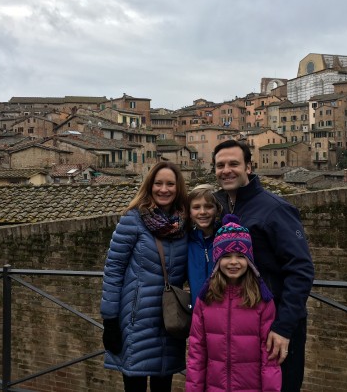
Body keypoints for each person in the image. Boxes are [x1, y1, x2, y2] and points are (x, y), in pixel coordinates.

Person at [212, 140, 314, 392]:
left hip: (274, 327)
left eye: (233, 164)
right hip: (239, 326)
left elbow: (301, 270)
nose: (226, 170)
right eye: (220, 165)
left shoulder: (275, 209)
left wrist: (283, 327)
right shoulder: (217, 207)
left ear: (249, 167)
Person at [100, 161, 189, 392]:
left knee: (164, 385)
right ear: (149, 186)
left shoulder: (185, 225)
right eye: (158, 183)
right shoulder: (133, 220)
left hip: (170, 322)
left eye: (170, 184)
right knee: (135, 384)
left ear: (178, 188)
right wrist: (109, 321)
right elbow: (113, 270)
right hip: (135, 322)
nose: (164, 189)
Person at [185, 214, 282, 391]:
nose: (233, 262)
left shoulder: (261, 300)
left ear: (249, 261)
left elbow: (269, 360)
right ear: (217, 260)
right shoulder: (205, 299)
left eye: (240, 256)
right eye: (227, 256)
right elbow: (196, 353)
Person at [187, 184, 222, 307]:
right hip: (196, 315)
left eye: (208, 206)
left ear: (217, 209)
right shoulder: (186, 243)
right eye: (196, 207)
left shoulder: (225, 242)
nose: (202, 212)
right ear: (189, 213)